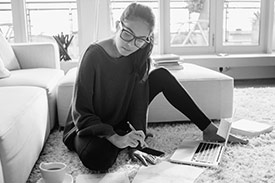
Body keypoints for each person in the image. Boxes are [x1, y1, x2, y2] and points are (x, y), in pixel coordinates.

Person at [63, 3, 248, 172]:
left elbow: (138, 101)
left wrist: (137, 142)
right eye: (127, 33)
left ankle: (208, 128)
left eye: (140, 39)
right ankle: (120, 137)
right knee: (98, 160)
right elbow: (81, 112)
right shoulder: (93, 55)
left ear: (147, 38)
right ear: (119, 24)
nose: (130, 44)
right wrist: (114, 137)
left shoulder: (141, 51)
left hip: (119, 118)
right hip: (88, 125)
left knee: (161, 76)